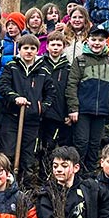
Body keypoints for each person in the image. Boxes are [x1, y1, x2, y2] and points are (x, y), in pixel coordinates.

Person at [65, 25, 109, 173]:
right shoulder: (80, 60)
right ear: (87, 40)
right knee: (81, 143)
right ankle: (76, 174)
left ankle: (90, 176)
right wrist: (73, 108)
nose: (97, 43)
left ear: (106, 42)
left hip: (102, 111)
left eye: (101, 40)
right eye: (94, 39)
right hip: (82, 111)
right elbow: (71, 85)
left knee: (95, 145)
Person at [0, 34, 55, 178]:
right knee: (8, 151)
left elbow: (51, 92)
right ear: (20, 50)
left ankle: (25, 187)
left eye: (32, 48)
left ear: (37, 51)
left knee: (28, 155)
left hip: (32, 119)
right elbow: (3, 86)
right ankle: (7, 181)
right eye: (25, 48)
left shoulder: (43, 70)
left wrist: (41, 108)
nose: (29, 51)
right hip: (11, 116)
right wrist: (15, 98)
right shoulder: (12, 66)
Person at [37, 31, 74, 160]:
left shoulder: (68, 68)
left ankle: (46, 175)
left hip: (58, 113)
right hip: (40, 111)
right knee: (37, 145)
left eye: (59, 45)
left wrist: (69, 112)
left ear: (63, 47)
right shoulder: (40, 64)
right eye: (53, 45)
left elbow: (70, 91)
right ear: (47, 46)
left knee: (50, 145)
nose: (55, 48)